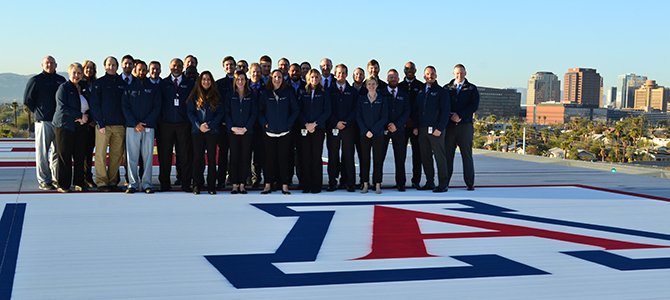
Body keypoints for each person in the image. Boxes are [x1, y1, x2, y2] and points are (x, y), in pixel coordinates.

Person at [24, 55, 65, 190]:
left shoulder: (61, 80)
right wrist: (39, 112)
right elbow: (28, 100)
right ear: (42, 65)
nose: (49, 65)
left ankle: (55, 178)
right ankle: (44, 180)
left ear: (56, 65)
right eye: (47, 63)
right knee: (42, 152)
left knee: (57, 153)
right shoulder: (35, 80)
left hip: (59, 122)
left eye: (52, 63)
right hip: (43, 122)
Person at [90, 56, 128, 192]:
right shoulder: (99, 83)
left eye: (113, 65)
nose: (111, 67)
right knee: (100, 154)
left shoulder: (123, 83)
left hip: (119, 125)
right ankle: (101, 182)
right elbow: (94, 104)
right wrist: (100, 122)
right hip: (103, 126)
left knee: (116, 155)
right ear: (105, 66)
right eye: (109, 65)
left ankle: (112, 182)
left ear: (117, 67)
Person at [122, 60, 160, 194]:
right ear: (135, 71)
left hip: (149, 127)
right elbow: (125, 107)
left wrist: (146, 122)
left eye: (144, 70)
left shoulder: (154, 87)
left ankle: (147, 184)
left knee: (148, 156)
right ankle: (132, 184)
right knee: (131, 156)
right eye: (139, 70)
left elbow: (157, 107)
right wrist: (135, 123)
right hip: (132, 127)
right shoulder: (129, 86)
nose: (142, 72)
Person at [258, 69, 298, 195]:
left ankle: (284, 185)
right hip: (269, 132)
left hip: (284, 132)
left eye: (280, 77)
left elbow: (295, 110)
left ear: (283, 78)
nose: (277, 79)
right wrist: (264, 123)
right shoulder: (265, 93)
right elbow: (260, 111)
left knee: (283, 159)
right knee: (269, 159)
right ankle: (268, 184)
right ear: (271, 78)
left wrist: (288, 124)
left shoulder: (288, 92)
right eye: (275, 77)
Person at [158, 58, 195, 192]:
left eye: (179, 66)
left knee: (184, 155)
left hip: (183, 124)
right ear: (170, 67)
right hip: (166, 124)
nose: (177, 68)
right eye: (174, 65)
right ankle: (164, 184)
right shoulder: (163, 83)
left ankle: (185, 183)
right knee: (165, 155)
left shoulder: (189, 83)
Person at [52, 63, 89, 193]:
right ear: (69, 73)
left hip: (80, 127)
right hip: (64, 126)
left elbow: (89, 105)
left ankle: (79, 182)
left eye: (79, 73)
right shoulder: (64, 88)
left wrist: (86, 117)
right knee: (64, 156)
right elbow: (62, 107)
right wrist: (79, 115)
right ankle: (63, 185)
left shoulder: (84, 87)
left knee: (79, 156)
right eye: (74, 73)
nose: (77, 75)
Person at [413, 66, 450, 193]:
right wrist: (416, 127)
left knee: (440, 157)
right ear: (424, 76)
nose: (430, 76)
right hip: (422, 129)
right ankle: (430, 182)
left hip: (436, 130)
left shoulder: (441, 91)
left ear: (436, 75)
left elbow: (445, 111)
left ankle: (443, 184)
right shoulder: (421, 92)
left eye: (432, 74)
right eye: (428, 74)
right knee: (425, 157)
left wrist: (440, 127)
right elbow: (416, 111)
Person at [187, 71, 224, 195]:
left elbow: (220, 113)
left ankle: (211, 185)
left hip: (212, 131)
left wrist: (210, 125)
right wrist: (199, 125)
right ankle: (197, 184)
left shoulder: (217, 96)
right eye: (203, 79)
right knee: (198, 158)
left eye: (208, 79)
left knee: (212, 159)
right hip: (198, 132)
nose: (206, 81)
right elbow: (190, 113)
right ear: (200, 81)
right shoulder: (194, 95)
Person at [444, 64, 479, 191]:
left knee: (467, 155)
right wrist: (450, 116)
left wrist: (461, 116)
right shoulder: (447, 88)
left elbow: (473, 106)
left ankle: (470, 182)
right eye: (457, 73)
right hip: (450, 126)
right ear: (453, 73)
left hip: (465, 126)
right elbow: (443, 105)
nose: (460, 75)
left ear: (466, 73)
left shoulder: (472, 88)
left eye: (462, 73)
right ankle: (445, 182)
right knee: (448, 155)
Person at [297, 69, 330, 193]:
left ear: (319, 78)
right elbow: (298, 110)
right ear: (308, 78)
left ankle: (316, 185)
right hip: (305, 128)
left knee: (316, 157)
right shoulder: (303, 92)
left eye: (316, 77)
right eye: (312, 77)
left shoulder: (324, 92)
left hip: (318, 128)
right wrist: (306, 124)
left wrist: (315, 124)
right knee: (305, 156)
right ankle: (306, 184)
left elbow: (327, 111)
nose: (314, 79)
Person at [225, 71, 257, 194]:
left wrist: (246, 128)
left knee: (245, 157)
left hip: (246, 132)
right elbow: (226, 113)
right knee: (234, 157)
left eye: (243, 79)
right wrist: (232, 127)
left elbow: (254, 113)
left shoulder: (251, 94)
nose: (240, 81)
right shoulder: (230, 94)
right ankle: (234, 184)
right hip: (233, 131)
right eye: (238, 79)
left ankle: (242, 184)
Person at [326, 63, 357, 192]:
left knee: (348, 155)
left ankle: (349, 182)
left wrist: (346, 122)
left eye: (343, 73)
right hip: (333, 127)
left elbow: (356, 110)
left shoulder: (352, 91)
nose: (341, 75)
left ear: (347, 74)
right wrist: (335, 123)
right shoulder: (328, 90)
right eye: (338, 73)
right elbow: (327, 109)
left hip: (348, 128)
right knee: (333, 156)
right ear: (335, 74)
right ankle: (332, 181)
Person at [356, 76, 388, 194]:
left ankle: (377, 183)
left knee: (378, 159)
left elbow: (384, 117)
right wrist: (366, 131)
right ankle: (365, 183)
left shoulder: (382, 99)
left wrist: (373, 131)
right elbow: (358, 117)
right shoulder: (361, 99)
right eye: (369, 84)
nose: (371, 86)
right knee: (365, 159)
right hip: (364, 134)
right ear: (366, 86)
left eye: (373, 84)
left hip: (378, 134)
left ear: (377, 85)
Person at [382, 69, 410, 191]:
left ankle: (401, 183)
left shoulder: (404, 94)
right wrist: (387, 124)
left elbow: (406, 111)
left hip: (399, 130)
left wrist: (397, 125)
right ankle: (377, 182)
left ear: (398, 79)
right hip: (384, 129)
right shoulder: (381, 93)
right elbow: (379, 111)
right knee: (379, 157)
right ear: (387, 79)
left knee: (400, 157)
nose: (393, 79)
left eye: (395, 77)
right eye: (391, 77)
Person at [398, 61, 424, 189]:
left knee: (417, 154)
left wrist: (416, 125)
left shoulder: (421, 86)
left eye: (412, 68)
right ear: (404, 70)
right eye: (407, 68)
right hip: (402, 126)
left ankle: (416, 180)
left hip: (415, 127)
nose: (409, 70)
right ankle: (400, 182)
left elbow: (422, 107)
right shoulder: (399, 86)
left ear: (415, 70)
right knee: (400, 154)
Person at [215, 56, 236, 188]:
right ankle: (221, 179)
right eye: (227, 65)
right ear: (223, 67)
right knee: (223, 153)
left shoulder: (241, 81)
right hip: (223, 124)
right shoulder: (219, 83)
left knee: (236, 153)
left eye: (231, 65)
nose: (229, 67)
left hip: (237, 125)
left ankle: (234, 178)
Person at [80, 60, 98, 188]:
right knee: (80, 152)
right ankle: (80, 178)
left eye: (91, 68)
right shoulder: (79, 84)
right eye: (87, 68)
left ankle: (88, 176)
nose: (89, 70)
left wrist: (94, 119)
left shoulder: (97, 84)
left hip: (93, 124)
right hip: (82, 123)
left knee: (89, 152)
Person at [248, 63, 265, 188]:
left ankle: (256, 178)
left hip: (260, 125)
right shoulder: (243, 85)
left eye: (258, 72)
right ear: (249, 72)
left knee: (258, 154)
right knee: (245, 153)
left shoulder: (266, 87)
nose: (256, 74)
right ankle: (245, 177)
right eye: (253, 71)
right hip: (246, 125)